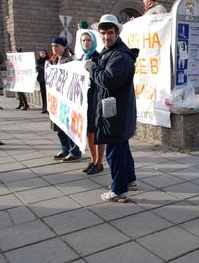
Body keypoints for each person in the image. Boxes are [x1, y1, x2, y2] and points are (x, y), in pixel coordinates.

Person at [86, 14, 139, 202]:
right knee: (122, 146)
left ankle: (119, 190)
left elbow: (108, 80)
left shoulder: (121, 56)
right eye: (103, 33)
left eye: (110, 33)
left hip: (116, 113)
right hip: (116, 110)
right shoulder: (111, 52)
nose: (106, 37)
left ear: (117, 33)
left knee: (114, 151)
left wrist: (92, 68)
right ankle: (130, 180)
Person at [51, 36, 82, 162]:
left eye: (57, 46)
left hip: (67, 99)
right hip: (57, 98)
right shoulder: (54, 60)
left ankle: (74, 151)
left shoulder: (69, 61)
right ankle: (65, 149)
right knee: (60, 127)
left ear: (64, 47)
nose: (54, 48)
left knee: (69, 127)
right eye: (53, 46)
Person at [78, 31, 105, 175]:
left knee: (97, 130)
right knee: (88, 131)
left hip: (95, 96)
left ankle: (99, 162)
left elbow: (100, 77)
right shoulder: (82, 57)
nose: (86, 43)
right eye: (83, 41)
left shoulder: (97, 57)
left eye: (88, 40)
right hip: (85, 98)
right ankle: (93, 160)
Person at [14, 47, 29, 111]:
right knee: (18, 91)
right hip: (17, 76)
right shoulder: (16, 59)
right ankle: (21, 103)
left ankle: (26, 104)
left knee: (21, 91)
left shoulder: (22, 58)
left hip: (21, 76)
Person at [36, 49, 49, 113]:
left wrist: (42, 68)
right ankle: (44, 107)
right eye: (41, 53)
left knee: (47, 94)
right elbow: (38, 68)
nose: (42, 54)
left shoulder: (48, 60)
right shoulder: (38, 61)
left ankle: (47, 108)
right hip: (41, 79)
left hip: (47, 80)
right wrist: (43, 68)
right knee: (43, 94)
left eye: (44, 53)